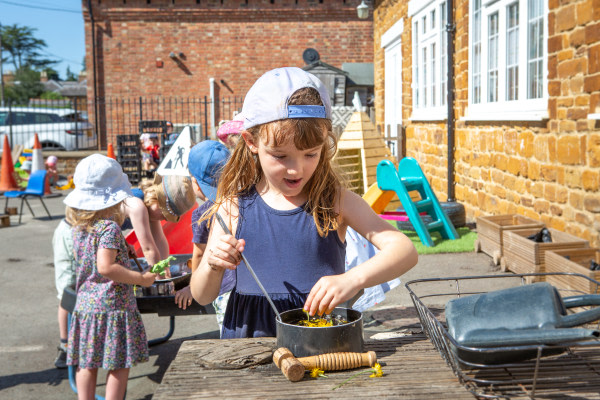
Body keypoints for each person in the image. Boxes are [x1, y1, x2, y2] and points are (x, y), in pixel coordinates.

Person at [189, 67, 418, 338]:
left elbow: (404, 250)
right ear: (251, 141)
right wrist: (213, 265)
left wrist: (353, 279)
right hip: (249, 347)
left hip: (320, 341)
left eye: (311, 154)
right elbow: (202, 295)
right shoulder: (232, 207)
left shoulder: (336, 202)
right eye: (280, 156)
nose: (296, 169)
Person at [64, 154, 158, 399]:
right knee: (118, 364)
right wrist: (142, 279)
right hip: (112, 307)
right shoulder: (109, 227)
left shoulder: (78, 227)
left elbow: (90, 261)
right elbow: (105, 267)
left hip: (85, 306)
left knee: (87, 362)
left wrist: (122, 251)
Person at [175, 140, 232, 333]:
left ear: (194, 182)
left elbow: (199, 255)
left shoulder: (201, 213)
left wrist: (193, 286)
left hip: (223, 287)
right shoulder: (240, 201)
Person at [121, 173, 196, 267]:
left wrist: (165, 267)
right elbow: (148, 248)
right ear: (157, 199)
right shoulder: (138, 207)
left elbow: (159, 240)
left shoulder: (150, 208)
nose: (165, 219)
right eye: (165, 214)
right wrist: (160, 276)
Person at [51, 218, 76, 369]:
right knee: (67, 295)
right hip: (71, 230)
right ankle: (65, 345)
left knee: (69, 295)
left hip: (74, 228)